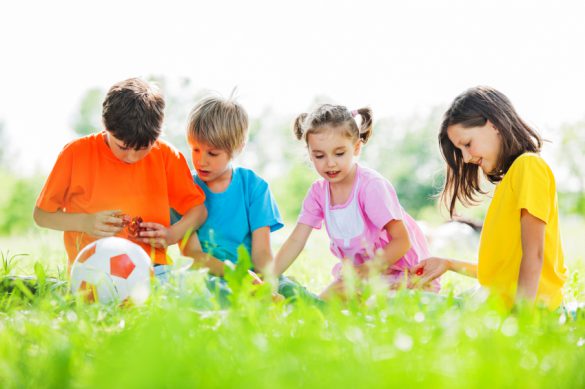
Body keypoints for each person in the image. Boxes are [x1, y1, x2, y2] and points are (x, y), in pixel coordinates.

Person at [411, 86, 567, 310]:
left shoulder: (529, 166)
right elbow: (502, 270)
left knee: (406, 305)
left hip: (527, 310)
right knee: (407, 303)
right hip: (492, 300)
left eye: (467, 144)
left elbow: (535, 255)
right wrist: (447, 263)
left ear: (493, 124)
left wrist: (521, 320)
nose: (465, 158)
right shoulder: (511, 179)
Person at [33, 77, 207, 274]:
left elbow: (198, 211)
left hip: (153, 270)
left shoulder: (166, 156)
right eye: (122, 147)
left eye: (142, 148)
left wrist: (172, 234)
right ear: (105, 126)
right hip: (90, 272)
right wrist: (85, 223)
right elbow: (41, 216)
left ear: (157, 135)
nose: (132, 157)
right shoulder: (75, 154)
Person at [273, 104, 437, 300]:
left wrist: (366, 271)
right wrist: (268, 276)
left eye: (339, 153)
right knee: (323, 304)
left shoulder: (371, 187)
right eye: (319, 155)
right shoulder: (318, 192)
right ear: (309, 153)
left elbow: (402, 242)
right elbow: (296, 240)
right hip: (362, 278)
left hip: (403, 276)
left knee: (352, 304)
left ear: (356, 147)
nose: (330, 163)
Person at [176, 95, 299, 303]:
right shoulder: (185, 187)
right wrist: (236, 275)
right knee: (202, 292)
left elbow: (261, 253)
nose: (200, 160)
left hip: (252, 275)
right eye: (195, 149)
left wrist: (267, 282)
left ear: (239, 147)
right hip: (209, 275)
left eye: (212, 153)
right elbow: (193, 253)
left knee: (292, 291)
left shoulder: (254, 187)